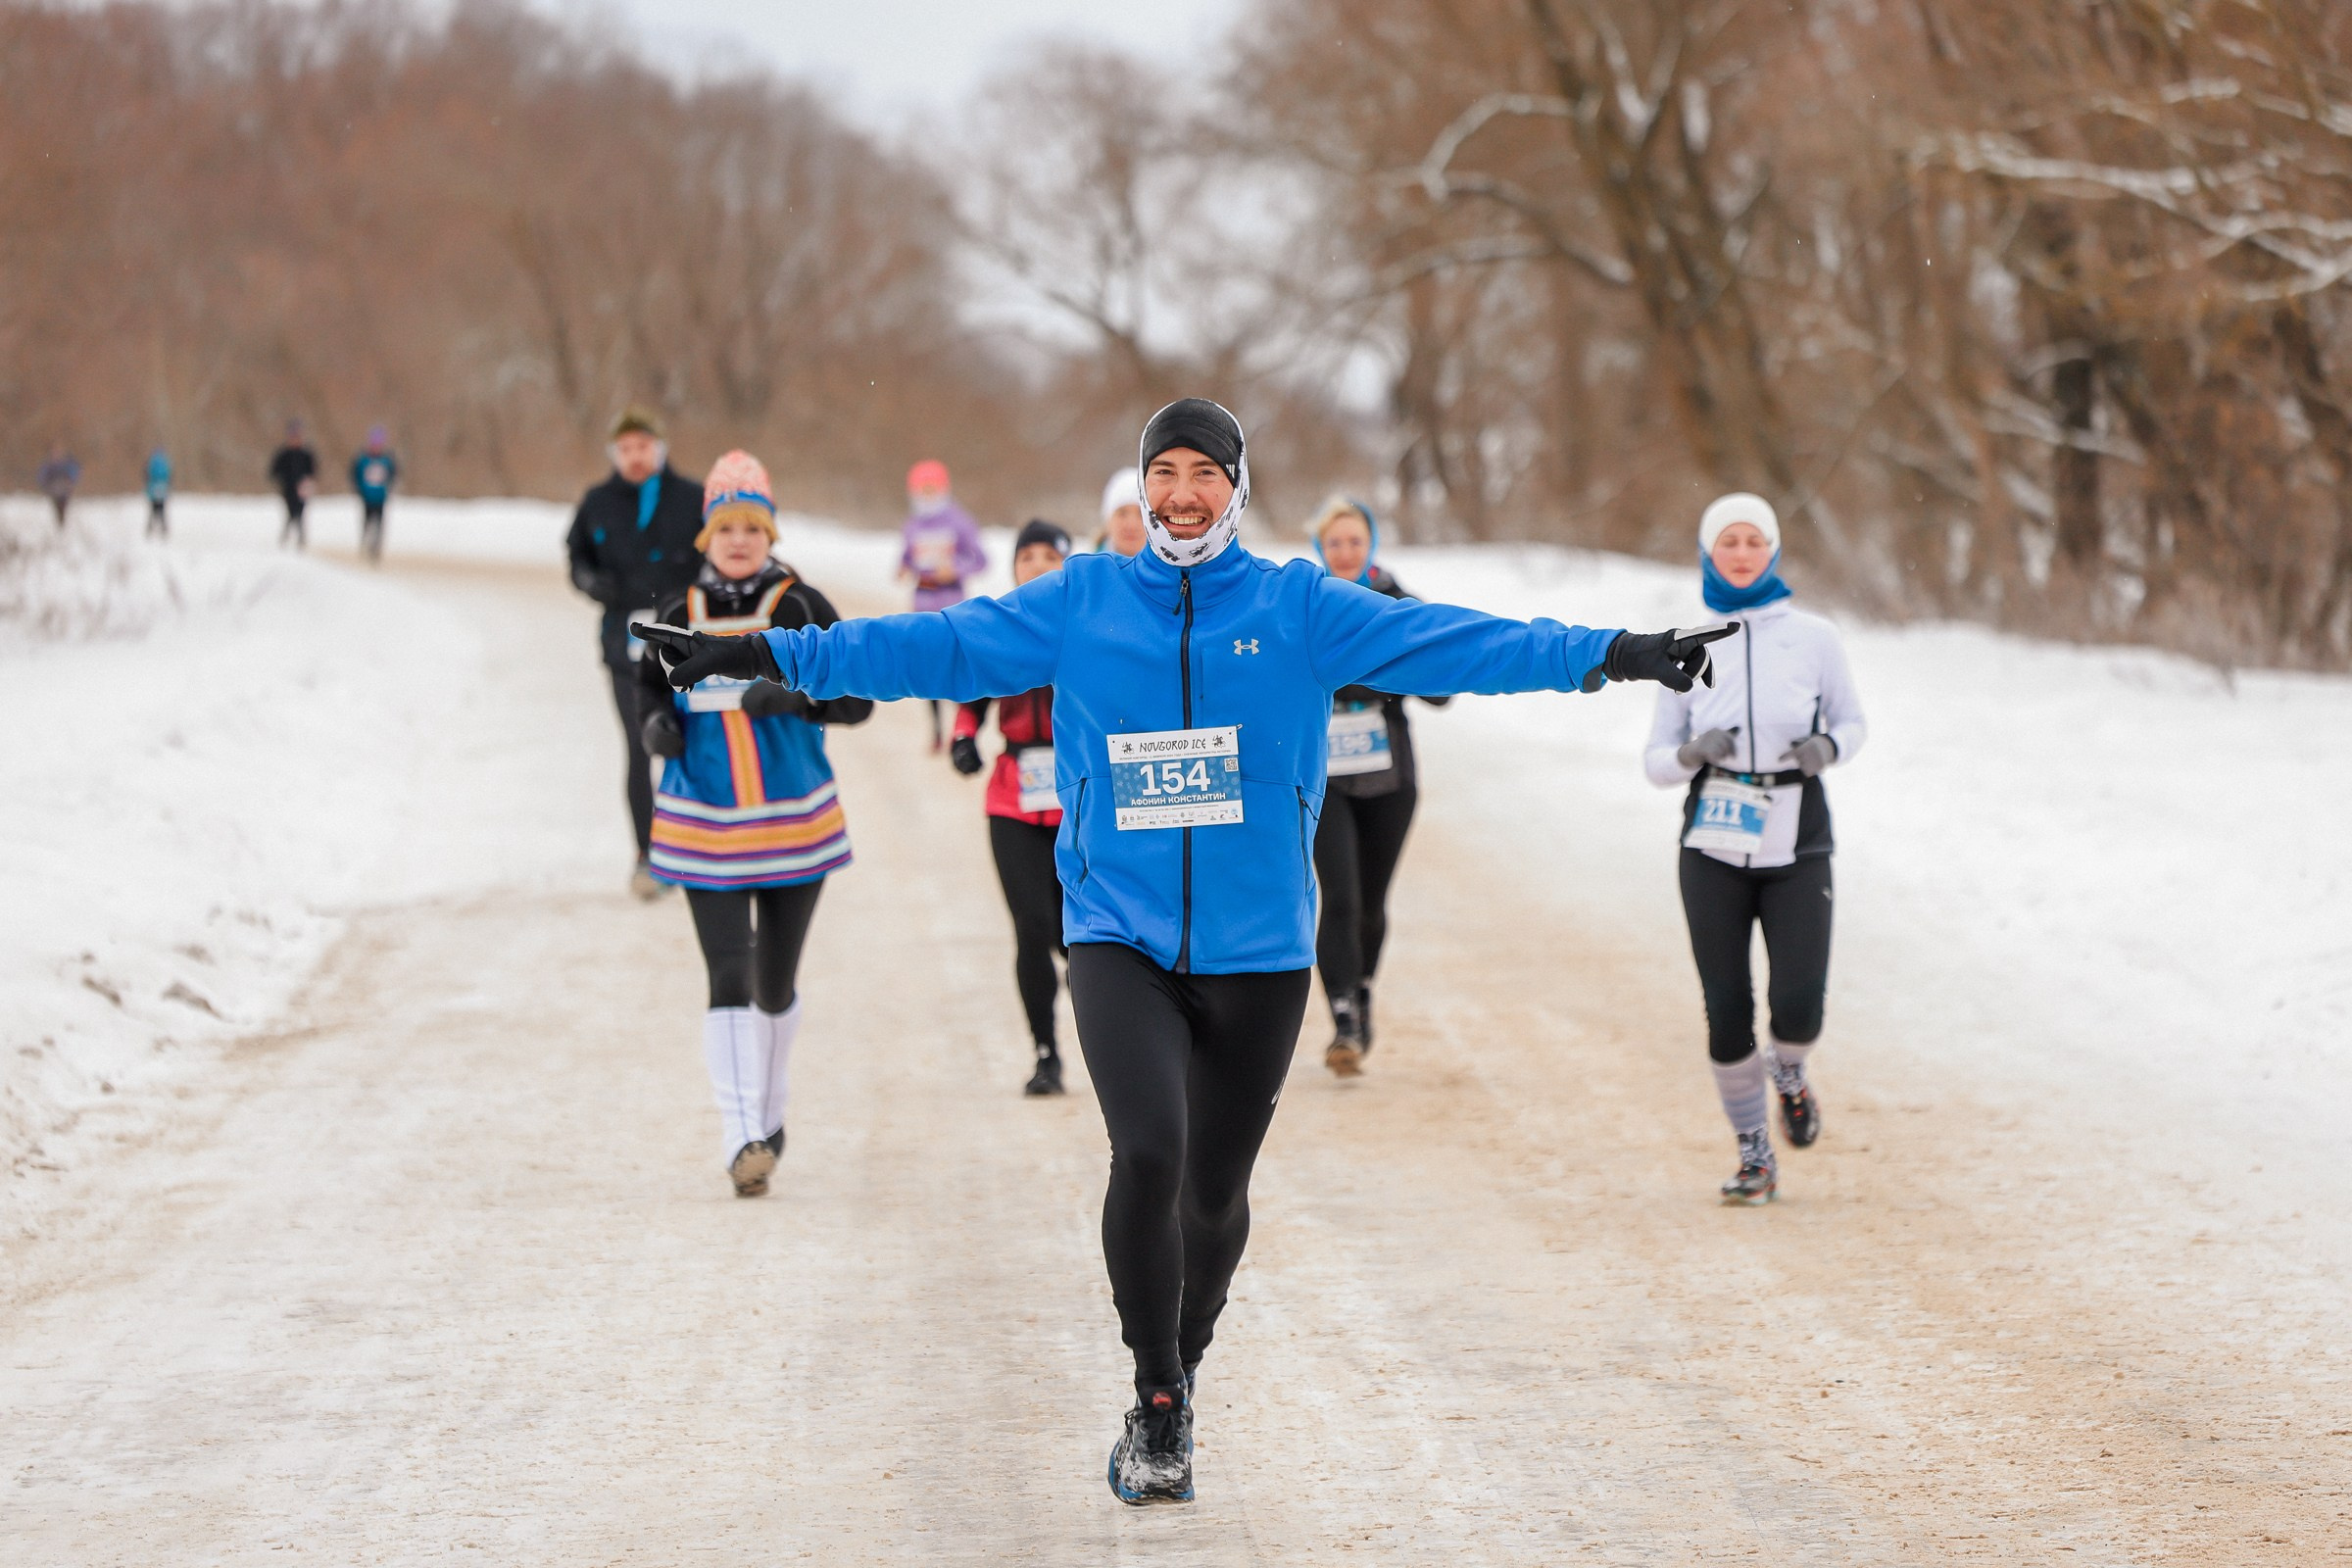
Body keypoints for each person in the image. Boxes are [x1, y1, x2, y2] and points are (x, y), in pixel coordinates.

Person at [641, 398, 1733, 1507]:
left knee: (1214, 1196)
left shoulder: (1299, 606)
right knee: (1149, 1152)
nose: (1180, 494)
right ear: (1140, 487)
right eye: (1162, 472)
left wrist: (1616, 653)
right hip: (1118, 932)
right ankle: (1156, 1397)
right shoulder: (1083, 602)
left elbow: (1460, 639)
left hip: (1259, 951)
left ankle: (1185, 1361)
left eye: (1203, 473)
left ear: (1238, 488)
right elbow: (930, 646)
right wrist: (749, 647)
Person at [637, 451, 873, 1197]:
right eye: (726, 526)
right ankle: (740, 1134)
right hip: (703, 815)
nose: (739, 539)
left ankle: (769, 1116)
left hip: (793, 818)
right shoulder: (675, 611)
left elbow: (858, 700)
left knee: (774, 982)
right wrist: (654, 730)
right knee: (728, 972)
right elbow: (646, 690)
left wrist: (799, 699)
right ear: (707, 534)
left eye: (753, 526)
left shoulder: (800, 607)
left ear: (770, 532)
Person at [1644, 493, 1866, 1206]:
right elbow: (1652, 759)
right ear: (1709, 554)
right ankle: (1753, 1152)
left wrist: (1827, 747)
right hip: (1712, 837)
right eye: (1727, 542)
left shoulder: (1814, 637)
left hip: (1797, 834)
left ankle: (1792, 1071)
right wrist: (1690, 752)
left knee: (1799, 1003)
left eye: (1753, 541)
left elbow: (1854, 721)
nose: (1741, 553)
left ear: (1772, 551)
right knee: (1726, 1006)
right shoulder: (1685, 638)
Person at [1305, 497, 1448, 1077]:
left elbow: (1443, 689)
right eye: (1334, 543)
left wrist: (1402, 672)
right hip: (1325, 777)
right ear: (1321, 550)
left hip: (1390, 775)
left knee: (1371, 903)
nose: (1344, 552)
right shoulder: (1305, 604)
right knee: (1338, 897)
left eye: (1354, 541)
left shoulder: (1398, 603)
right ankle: (1342, 1018)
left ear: (1371, 547)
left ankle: (1360, 989)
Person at [950, 518, 1075, 1097]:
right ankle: (1045, 1053)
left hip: (1083, 796)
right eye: (1028, 556)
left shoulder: (1089, 626)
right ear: (1014, 566)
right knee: (1031, 927)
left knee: (1078, 932)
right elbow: (972, 688)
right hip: (1013, 796)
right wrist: (963, 735)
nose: (1039, 566)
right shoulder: (1000, 626)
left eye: (1051, 556)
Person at [564, 406, 707, 898]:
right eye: (625, 450)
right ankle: (647, 857)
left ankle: (690, 850)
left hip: (688, 648)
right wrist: (589, 580)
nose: (635, 458)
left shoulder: (692, 499)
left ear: (659, 448)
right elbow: (575, 555)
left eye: (643, 447)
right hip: (622, 646)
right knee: (641, 743)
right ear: (614, 454)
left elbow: (720, 558)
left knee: (685, 746)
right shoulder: (597, 502)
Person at [897, 459, 986, 751]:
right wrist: (903, 567)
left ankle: (961, 726)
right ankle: (935, 729)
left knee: (954, 666)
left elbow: (981, 559)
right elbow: (907, 557)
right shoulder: (911, 526)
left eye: (932, 489)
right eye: (921, 491)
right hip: (922, 602)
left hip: (952, 604)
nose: (927, 496)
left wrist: (956, 569)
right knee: (927, 669)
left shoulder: (959, 522)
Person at [351, 426, 398, 563]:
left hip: (381, 497)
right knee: (367, 521)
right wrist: (358, 489)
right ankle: (365, 542)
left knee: (379, 523)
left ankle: (376, 547)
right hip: (366, 496)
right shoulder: (363, 459)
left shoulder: (387, 460)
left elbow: (393, 475)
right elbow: (355, 474)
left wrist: (390, 488)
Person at [269, 421, 318, 549]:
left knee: (300, 512)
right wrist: (282, 479)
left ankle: (301, 538)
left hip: (302, 489)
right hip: (288, 489)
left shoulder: (306, 454)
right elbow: (274, 470)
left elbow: (313, 470)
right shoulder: (283, 454)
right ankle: (286, 536)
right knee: (290, 512)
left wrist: (308, 481)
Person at [1095, 467, 1147, 557]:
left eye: (1141, 514)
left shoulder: (1172, 569)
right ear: (1108, 519)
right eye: (1122, 513)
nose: (1131, 525)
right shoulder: (1084, 568)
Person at [37, 445, 80, 529]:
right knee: (57, 508)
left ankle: (62, 524)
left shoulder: (67, 464)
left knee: (63, 507)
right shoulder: (49, 465)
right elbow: (42, 476)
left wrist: (71, 483)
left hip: (65, 491)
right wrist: (45, 485)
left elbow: (74, 474)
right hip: (54, 491)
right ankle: (59, 524)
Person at [144, 448, 172, 539]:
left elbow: (146, 475)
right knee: (162, 509)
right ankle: (163, 528)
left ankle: (150, 528)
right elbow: (169, 476)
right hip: (163, 489)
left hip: (153, 489)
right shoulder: (165, 463)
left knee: (152, 509)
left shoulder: (151, 463)